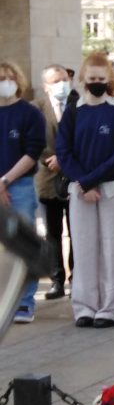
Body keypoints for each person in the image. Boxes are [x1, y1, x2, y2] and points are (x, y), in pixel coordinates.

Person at [54, 52, 114, 328]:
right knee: (84, 249)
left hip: (111, 187)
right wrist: (82, 182)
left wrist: (93, 180)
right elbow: (63, 150)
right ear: (83, 79)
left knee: (113, 249)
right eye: (92, 79)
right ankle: (85, 306)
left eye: (101, 79)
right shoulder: (74, 111)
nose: (96, 83)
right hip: (80, 188)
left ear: (108, 79)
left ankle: (112, 309)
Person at [0, 60, 46, 324]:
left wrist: (5, 181)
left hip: (19, 185)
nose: (5, 82)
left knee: (22, 244)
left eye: (9, 77)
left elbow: (32, 151)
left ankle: (25, 302)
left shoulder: (29, 113)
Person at [34, 64, 75, 300]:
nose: (62, 84)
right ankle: (56, 279)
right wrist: (51, 159)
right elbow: (33, 140)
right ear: (46, 85)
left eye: (64, 79)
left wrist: (65, 159)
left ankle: (76, 278)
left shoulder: (77, 105)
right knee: (53, 232)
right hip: (47, 175)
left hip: (73, 175)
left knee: (76, 230)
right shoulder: (36, 108)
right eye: (56, 80)